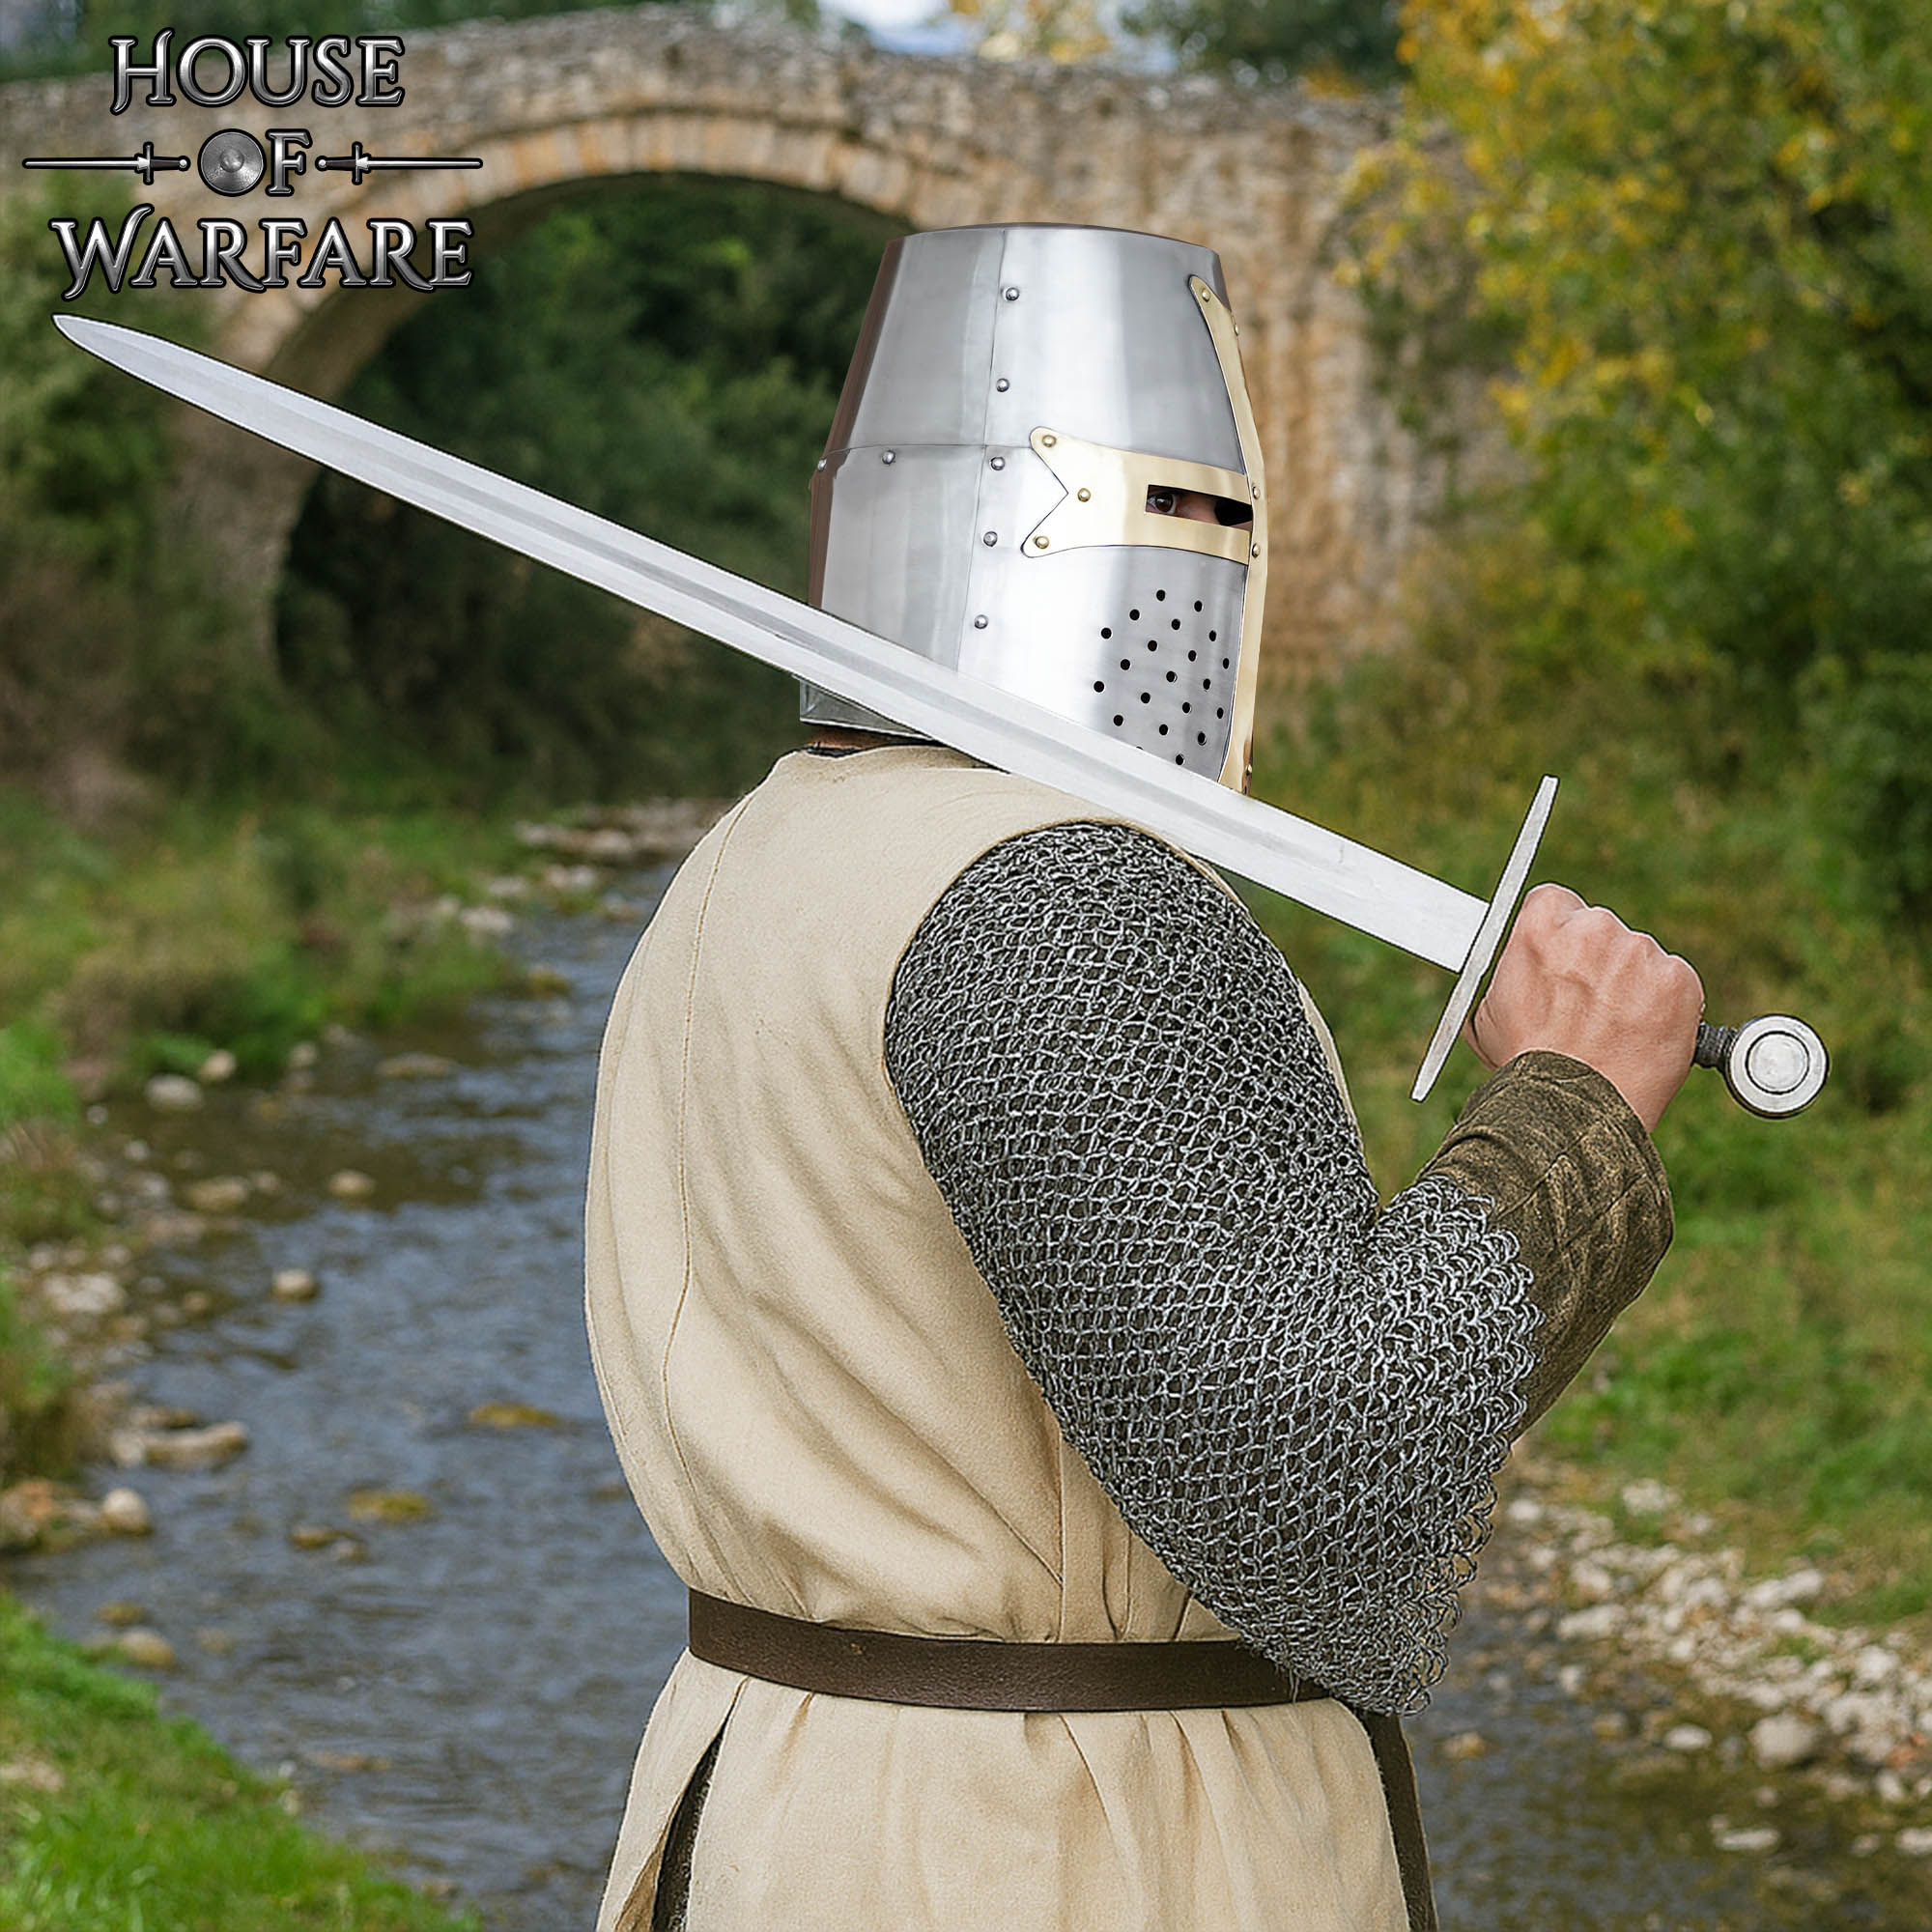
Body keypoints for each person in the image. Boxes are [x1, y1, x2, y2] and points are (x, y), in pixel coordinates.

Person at [582, 223, 1701, 1932]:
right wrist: (1573, 1102)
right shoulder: (1059, 895)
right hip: (1063, 1852)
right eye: (1190, 516)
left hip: (789, 1805)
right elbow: (1314, 1467)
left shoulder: (755, 856)